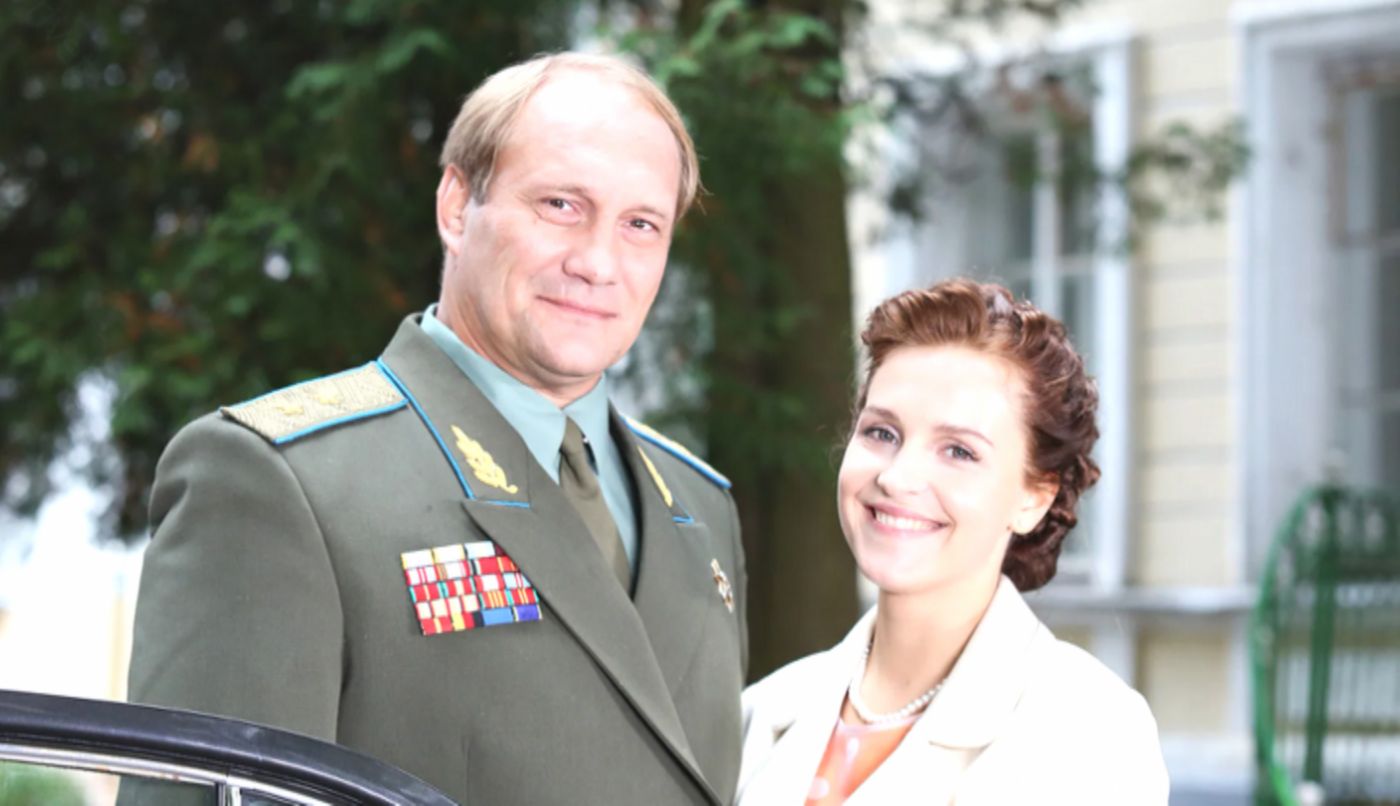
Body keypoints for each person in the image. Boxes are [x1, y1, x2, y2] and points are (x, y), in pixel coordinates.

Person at [127, 52, 748, 806]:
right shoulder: (280, 481)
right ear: (457, 208)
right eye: (560, 205)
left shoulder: (699, 506)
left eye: (641, 224)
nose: (597, 261)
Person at [735, 279, 1167, 805]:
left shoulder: (1091, 734)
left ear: (1034, 497)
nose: (897, 477)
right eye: (881, 433)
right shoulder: (760, 711)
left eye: (959, 451)